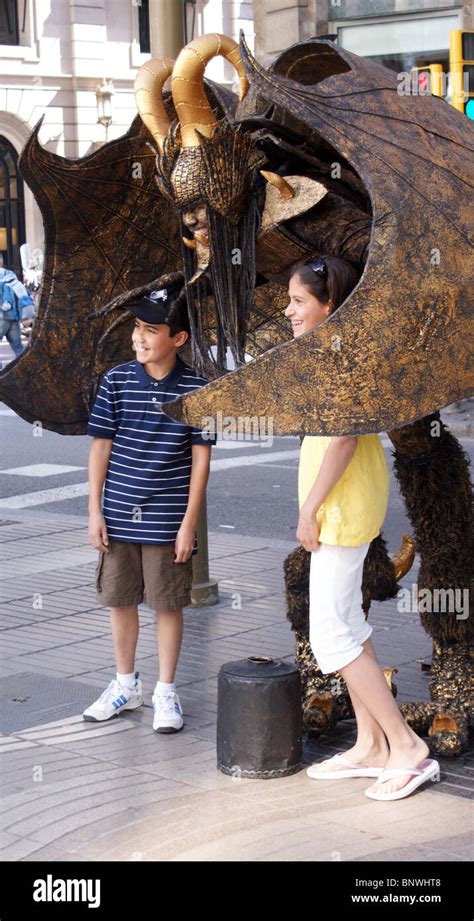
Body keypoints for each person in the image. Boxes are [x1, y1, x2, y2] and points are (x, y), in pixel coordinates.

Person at [286, 256, 440, 801]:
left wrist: (310, 509)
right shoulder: (336, 351)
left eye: (299, 301)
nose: (290, 310)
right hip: (346, 505)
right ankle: (371, 745)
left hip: (341, 508)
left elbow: (345, 438)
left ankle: (407, 748)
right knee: (347, 624)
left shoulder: (339, 356)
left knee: (332, 634)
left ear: (328, 304)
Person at [83, 284, 214, 732]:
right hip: (117, 513)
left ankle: (165, 691)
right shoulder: (116, 381)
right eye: (137, 328)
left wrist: (188, 524)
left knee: (167, 604)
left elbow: (202, 460)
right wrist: (94, 511)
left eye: (151, 330)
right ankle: (125, 684)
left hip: (167, 518)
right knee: (119, 600)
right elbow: (101, 448)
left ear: (177, 338)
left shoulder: (197, 388)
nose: (139, 338)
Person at [0, 256, 35, 358]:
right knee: (19, 349)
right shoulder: (10, 275)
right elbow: (22, 293)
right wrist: (26, 315)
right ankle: (28, 370)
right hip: (13, 318)